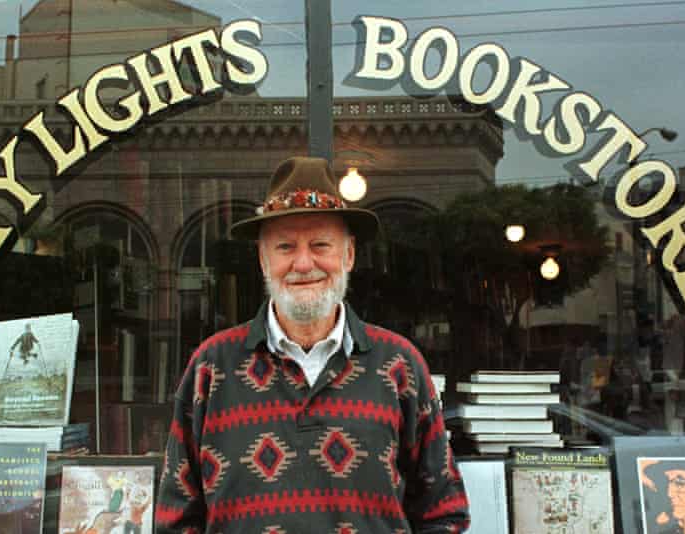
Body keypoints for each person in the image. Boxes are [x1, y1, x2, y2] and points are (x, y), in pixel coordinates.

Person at [155, 157, 470, 532]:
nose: (304, 263)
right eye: (286, 246)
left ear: (349, 254)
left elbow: (444, 513)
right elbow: (175, 520)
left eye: (321, 244)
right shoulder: (210, 368)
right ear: (263, 259)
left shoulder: (401, 367)